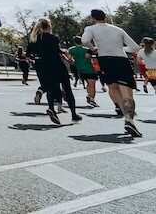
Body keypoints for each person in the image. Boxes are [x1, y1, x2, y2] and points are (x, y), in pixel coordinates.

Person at [82, 9, 142, 137]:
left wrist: (94, 48)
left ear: (93, 18)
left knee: (113, 88)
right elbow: (135, 47)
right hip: (121, 59)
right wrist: (121, 48)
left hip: (105, 61)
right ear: (106, 17)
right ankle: (129, 120)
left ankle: (126, 116)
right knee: (127, 93)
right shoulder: (118, 29)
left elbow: (84, 40)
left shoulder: (90, 28)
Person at [30, 19, 81, 125]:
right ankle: (74, 114)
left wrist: (36, 59)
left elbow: (29, 54)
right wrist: (68, 59)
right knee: (67, 89)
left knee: (50, 89)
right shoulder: (53, 38)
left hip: (43, 67)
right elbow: (57, 51)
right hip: (56, 66)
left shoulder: (33, 39)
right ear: (48, 26)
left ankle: (51, 108)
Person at [68, 37, 99, 108]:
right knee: (92, 84)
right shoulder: (87, 49)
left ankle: (89, 95)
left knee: (88, 83)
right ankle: (92, 99)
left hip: (80, 69)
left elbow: (70, 59)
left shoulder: (71, 49)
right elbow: (89, 56)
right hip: (89, 69)